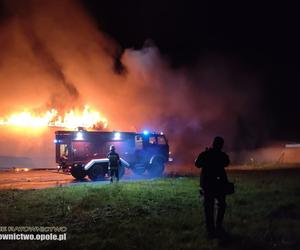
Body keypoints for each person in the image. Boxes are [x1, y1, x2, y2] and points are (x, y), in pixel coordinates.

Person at [195, 136, 230, 239]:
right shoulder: (222, 155)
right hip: (219, 184)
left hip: (208, 184)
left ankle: (210, 229)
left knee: (209, 207)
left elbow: (197, 164)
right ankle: (218, 226)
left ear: (213, 143)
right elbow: (227, 162)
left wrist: (206, 155)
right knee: (221, 205)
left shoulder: (206, 154)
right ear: (221, 145)